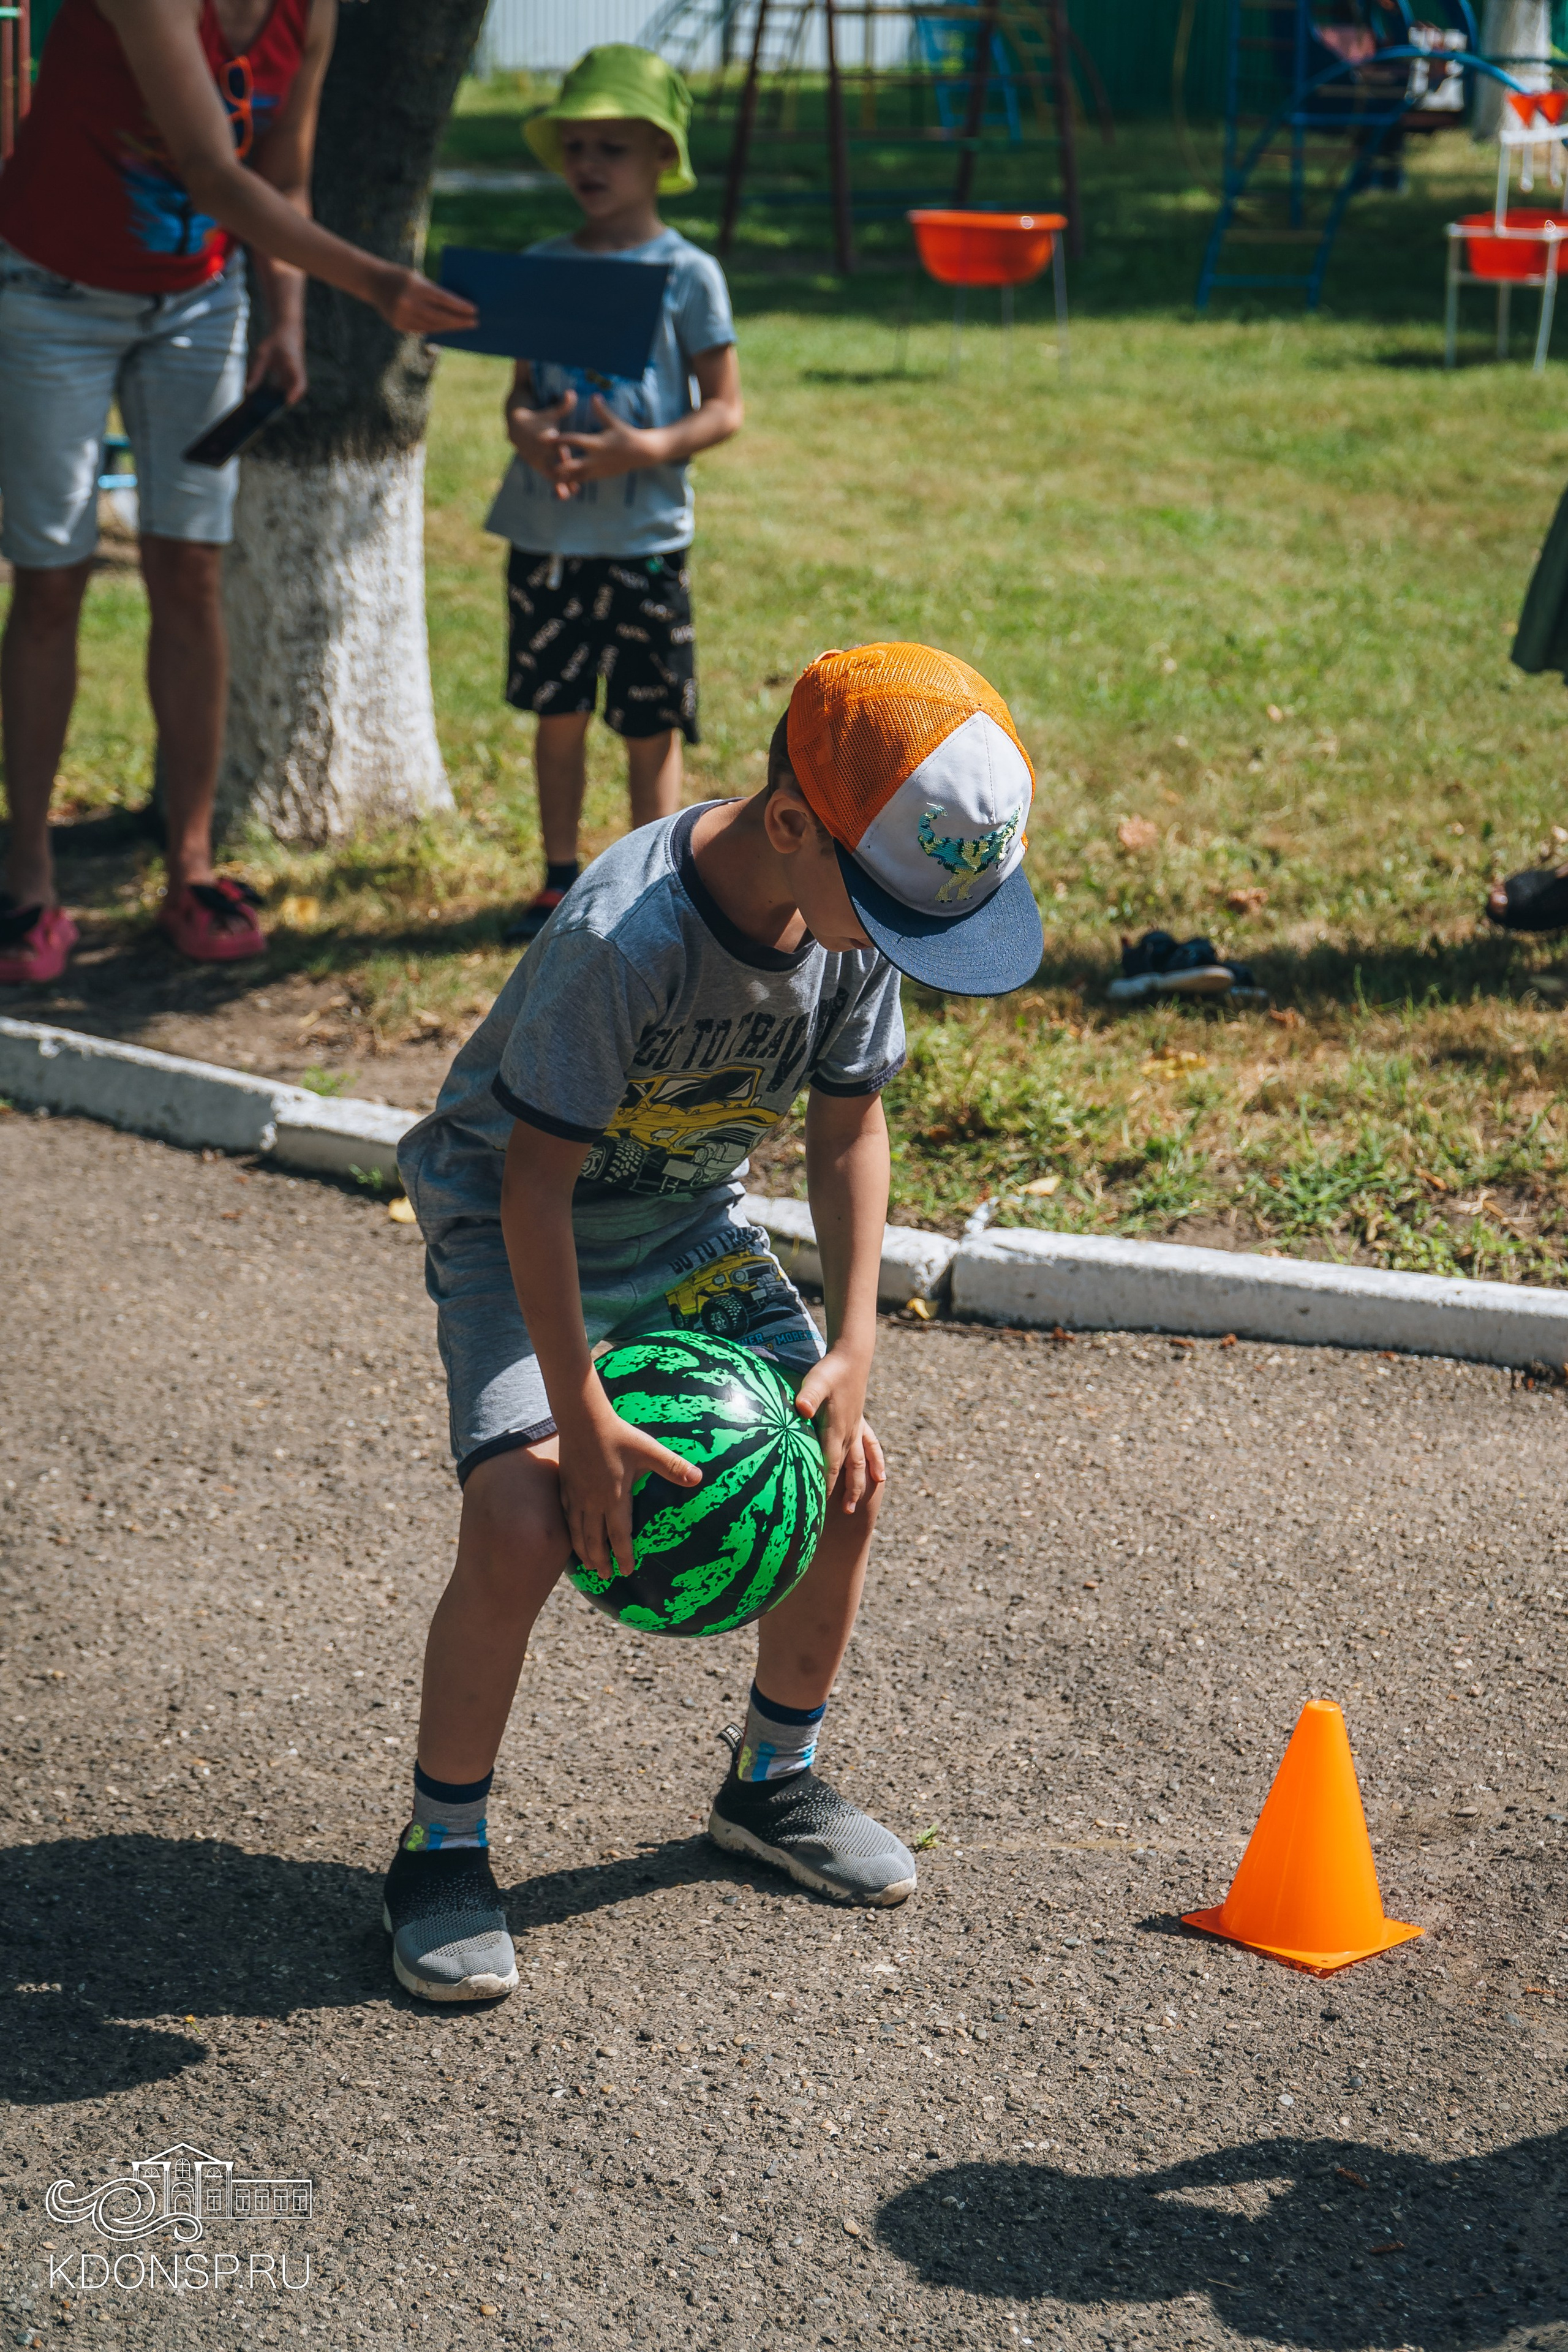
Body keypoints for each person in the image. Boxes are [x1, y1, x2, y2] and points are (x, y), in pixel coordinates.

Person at [387, 642, 1044, 2001]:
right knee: (520, 1518)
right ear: (795, 824)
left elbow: (848, 1121)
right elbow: (532, 1181)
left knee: (842, 1480)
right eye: (895, 916)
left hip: (684, 1226)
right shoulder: (618, 937)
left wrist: (854, 1342)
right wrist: (578, 1413)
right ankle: (440, 1847)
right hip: (522, 1228)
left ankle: (771, 1784)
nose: (899, 948)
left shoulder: (847, 916)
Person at [0, 0, 475, 987]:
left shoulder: (314, 13)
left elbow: (282, 172)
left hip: (199, 303)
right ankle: (30, 879)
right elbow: (215, 171)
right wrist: (375, 284)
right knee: (51, 580)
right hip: (53, 292)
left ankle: (192, 869)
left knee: (192, 577)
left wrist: (285, 323)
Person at [486, 45, 742, 944]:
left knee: (649, 723)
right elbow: (519, 396)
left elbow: (728, 410)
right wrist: (527, 433)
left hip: (645, 540)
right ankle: (559, 875)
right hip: (547, 540)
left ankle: (651, 885)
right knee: (559, 715)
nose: (590, 165)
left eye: (614, 148)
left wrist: (649, 448)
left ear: (664, 159)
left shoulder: (689, 275)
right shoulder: (541, 264)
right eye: (577, 145)